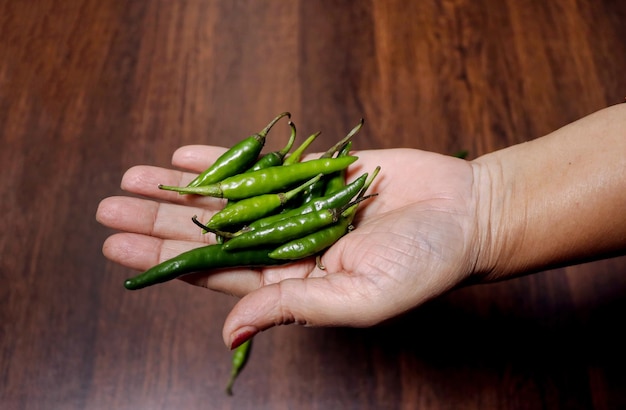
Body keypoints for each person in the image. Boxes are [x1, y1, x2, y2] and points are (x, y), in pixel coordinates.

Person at [96, 103, 626, 350]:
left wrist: (483, 209)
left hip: (315, 214)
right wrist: (484, 205)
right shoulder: (302, 197)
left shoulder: (316, 206)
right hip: (309, 212)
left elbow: (301, 217)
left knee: (243, 232)